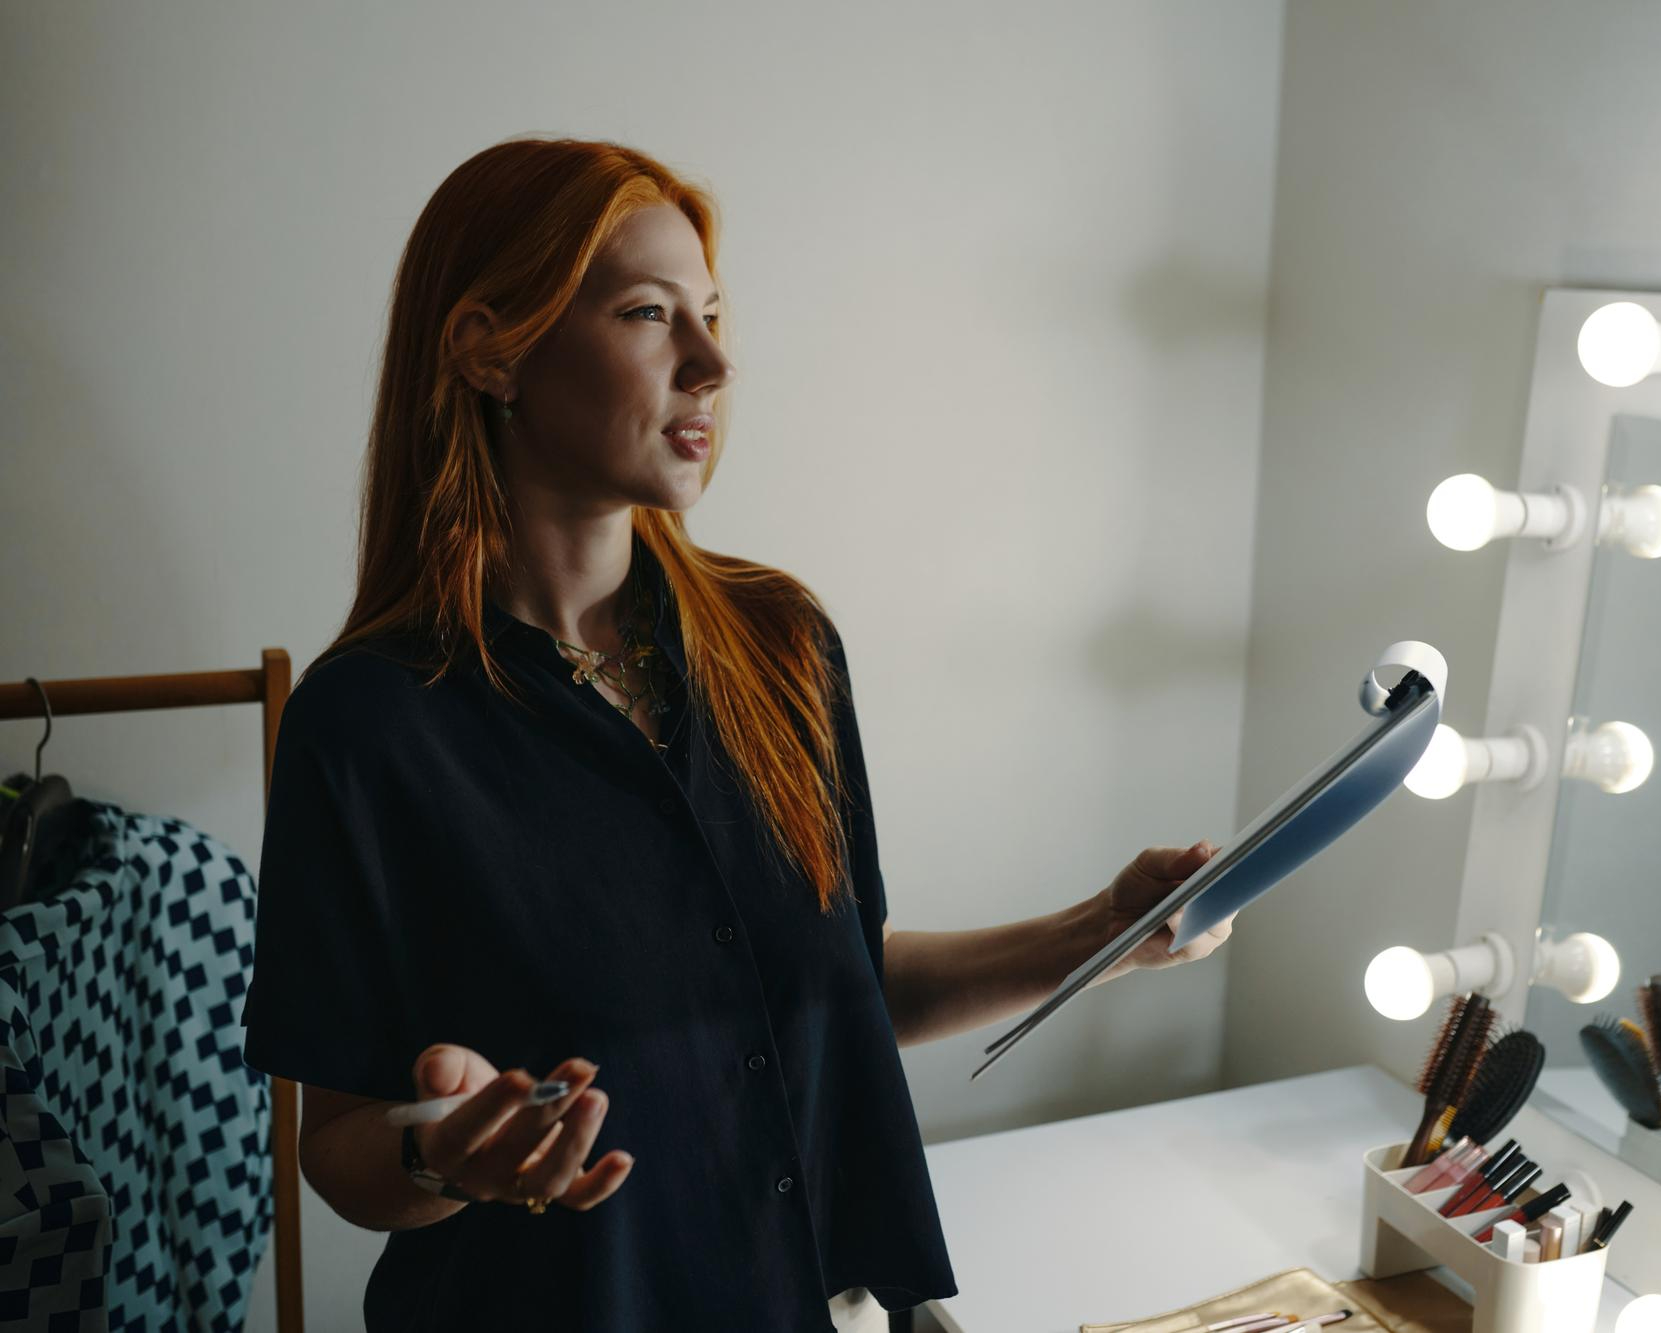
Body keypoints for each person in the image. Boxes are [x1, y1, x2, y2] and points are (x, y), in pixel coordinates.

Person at [239, 135, 1236, 1332]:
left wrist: (1103, 931)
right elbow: (339, 1145)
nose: (712, 365)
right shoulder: (364, 725)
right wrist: (442, 1154)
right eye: (648, 314)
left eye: (710, 317)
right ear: (488, 348)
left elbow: (834, 988)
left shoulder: (779, 642)